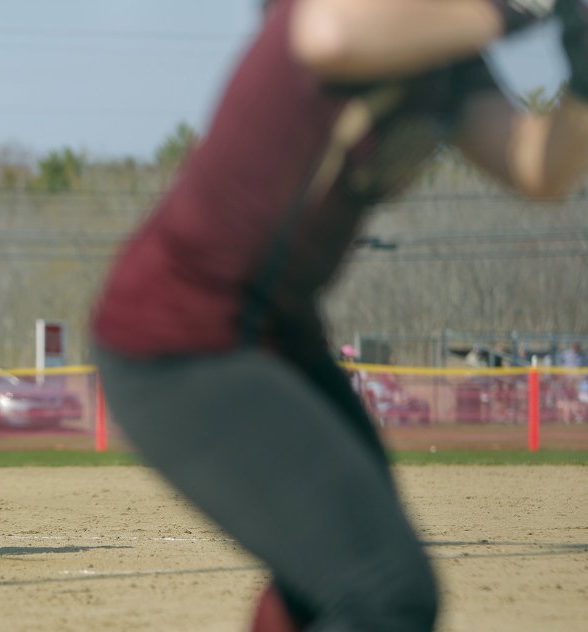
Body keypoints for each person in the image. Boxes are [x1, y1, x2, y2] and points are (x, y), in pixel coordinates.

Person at [91, 2, 588, 630]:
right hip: (181, 334)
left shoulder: (446, 48)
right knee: (383, 593)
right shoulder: (366, 16)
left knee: (327, 593)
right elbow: (329, 35)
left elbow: (538, 169)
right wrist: (516, 10)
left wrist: (582, 84)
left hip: (276, 337)